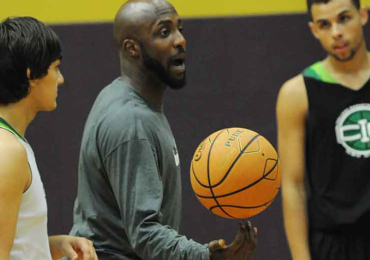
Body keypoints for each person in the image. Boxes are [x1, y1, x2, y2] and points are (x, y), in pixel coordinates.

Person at [67, 0, 257, 260]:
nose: (180, 40)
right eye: (164, 32)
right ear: (132, 48)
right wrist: (206, 256)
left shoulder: (122, 96)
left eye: (180, 29)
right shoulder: (131, 121)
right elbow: (144, 233)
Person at [276, 0, 370, 259]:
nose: (336, 32)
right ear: (314, 30)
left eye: (344, 19)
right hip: (331, 243)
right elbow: (293, 185)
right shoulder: (297, 93)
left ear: (362, 15)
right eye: (324, 25)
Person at [0, 17, 98, 260]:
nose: (61, 79)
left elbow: (14, 244)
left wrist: (55, 245)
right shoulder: (8, 151)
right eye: (55, 67)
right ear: (31, 74)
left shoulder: (11, 143)